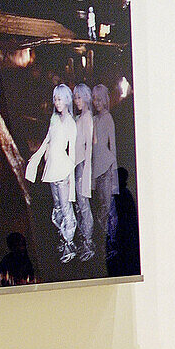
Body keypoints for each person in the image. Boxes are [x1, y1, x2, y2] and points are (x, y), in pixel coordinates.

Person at [25, 84, 77, 263]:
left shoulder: (70, 122)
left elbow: (73, 153)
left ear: (67, 100)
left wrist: (72, 177)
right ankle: (63, 239)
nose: (57, 102)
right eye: (55, 99)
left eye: (60, 99)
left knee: (65, 206)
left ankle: (69, 244)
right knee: (57, 206)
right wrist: (36, 157)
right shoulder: (54, 119)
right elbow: (47, 140)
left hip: (62, 168)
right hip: (52, 168)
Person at [91, 84, 119, 262]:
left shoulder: (108, 119)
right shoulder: (93, 120)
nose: (97, 102)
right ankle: (105, 245)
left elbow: (112, 146)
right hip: (97, 168)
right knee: (101, 208)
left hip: (107, 167)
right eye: (94, 99)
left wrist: (114, 176)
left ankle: (112, 244)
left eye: (100, 99)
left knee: (108, 208)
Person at [71, 83, 95, 262]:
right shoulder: (81, 117)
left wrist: (86, 169)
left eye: (79, 97)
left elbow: (89, 146)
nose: (77, 101)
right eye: (75, 98)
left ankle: (88, 243)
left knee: (84, 204)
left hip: (82, 165)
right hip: (77, 164)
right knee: (80, 204)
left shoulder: (87, 118)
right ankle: (84, 242)